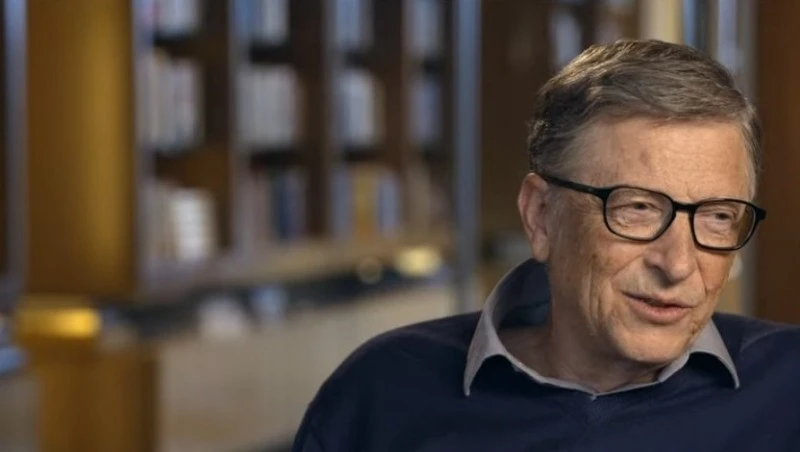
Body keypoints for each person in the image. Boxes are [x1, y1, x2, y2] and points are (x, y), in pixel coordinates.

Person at [292, 39, 800, 452]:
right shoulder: (383, 390)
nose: (679, 264)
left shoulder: (788, 387)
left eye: (717, 217)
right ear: (541, 216)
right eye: (638, 208)